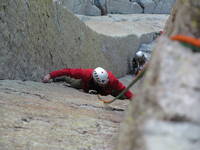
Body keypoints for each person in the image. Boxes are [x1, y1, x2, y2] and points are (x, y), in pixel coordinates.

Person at [42, 67, 134, 100]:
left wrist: (133, 98)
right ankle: (61, 79)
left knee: (122, 96)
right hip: (87, 85)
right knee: (74, 83)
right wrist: (50, 75)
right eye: (102, 83)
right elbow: (68, 71)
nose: (103, 84)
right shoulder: (85, 74)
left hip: (107, 91)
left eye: (105, 83)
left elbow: (123, 89)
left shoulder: (112, 80)